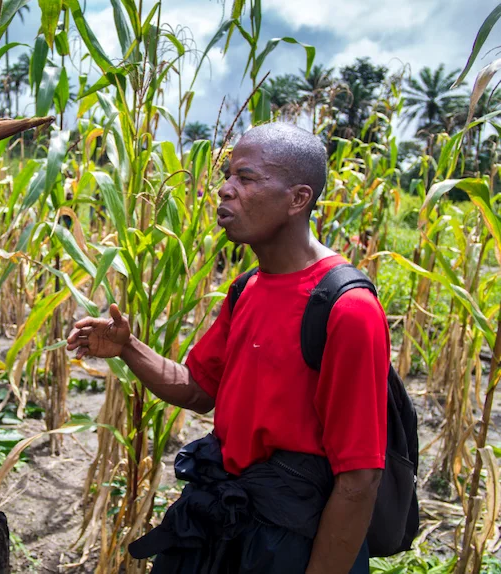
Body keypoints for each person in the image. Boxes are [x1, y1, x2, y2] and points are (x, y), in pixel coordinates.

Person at [67, 123, 389, 574]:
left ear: (298, 199)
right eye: (227, 175)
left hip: (291, 540)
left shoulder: (347, 309)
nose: (224, 189)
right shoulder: (246, 289)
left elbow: (359, 479)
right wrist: (127, 348)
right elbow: (199, 386)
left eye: (246, 178)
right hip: (226, 519)